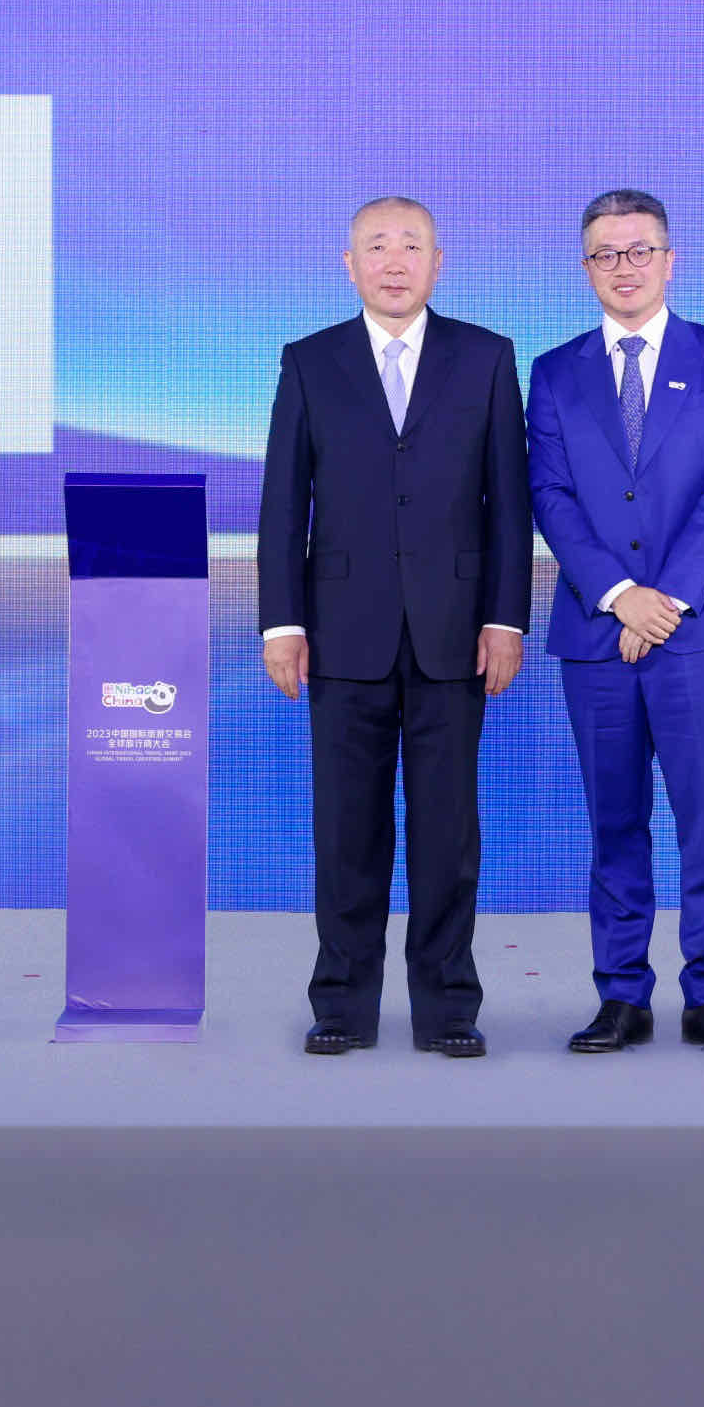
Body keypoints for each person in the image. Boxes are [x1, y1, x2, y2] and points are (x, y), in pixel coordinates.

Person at [258, 196, 531, 1059]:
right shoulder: (310, 361)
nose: (394, 260)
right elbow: (283, 503)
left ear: (437, 263)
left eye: (411, 245)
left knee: (448, 832)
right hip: (340, 632)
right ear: (350, 265)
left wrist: (506, 617)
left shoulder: (486, 357)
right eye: (376, 246)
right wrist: (280, 623)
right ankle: (342, 1002)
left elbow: (509, 504)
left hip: (457, 632)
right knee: (347, 831)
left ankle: (448, 1007)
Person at [526, 188, 704, 1055]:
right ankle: (621, 994)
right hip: (597, 636)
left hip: (696, 631)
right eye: (606, 253)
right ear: (585, 267)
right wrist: (617, 594)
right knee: (614, 825)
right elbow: (550, 494)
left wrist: (660, 602)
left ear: (670, 260)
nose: (623, 267)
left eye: (639, 250)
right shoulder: (554, 372)